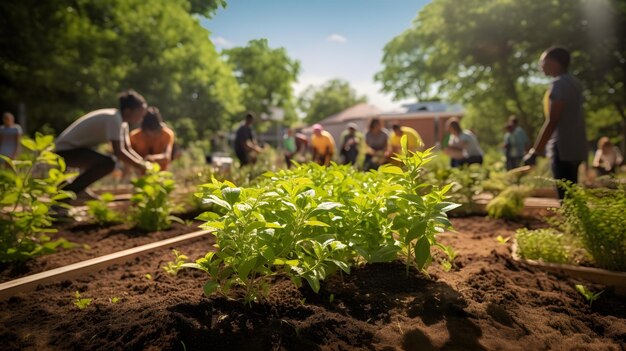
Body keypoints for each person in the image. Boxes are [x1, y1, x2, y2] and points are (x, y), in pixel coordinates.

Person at [54, 90, 150, 199]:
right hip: (64, 151)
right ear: (128, 111)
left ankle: (79, 190)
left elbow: (127, 148)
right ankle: (66, 193)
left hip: (76, 150)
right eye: (140, 115)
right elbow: (119, 152)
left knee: (107, 161)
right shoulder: (114, 119)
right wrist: (141, 166)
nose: (141, 119)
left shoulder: (122, 123)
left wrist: (143, 163)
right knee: (109, 163)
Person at [523, 47, 587, 199]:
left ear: (553, 62)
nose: (541, 65)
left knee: (565, 198)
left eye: (542, 61)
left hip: (562, 148)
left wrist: (535, 151)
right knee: (572, 193)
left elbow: (552, 121)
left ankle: (572, 223)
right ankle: (578, 222)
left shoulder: (558, 84)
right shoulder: (575, 83)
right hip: (576, 145)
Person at [129, 107, 175, 171]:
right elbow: (128, 159)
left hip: (161, 175)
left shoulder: (167, 134)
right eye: (149, 132)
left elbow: (167, 157)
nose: (152, 135)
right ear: (144, 128)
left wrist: (151, 158)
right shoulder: (134, 136)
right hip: (139, 176)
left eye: (155, 131)